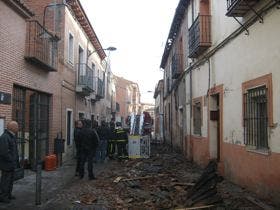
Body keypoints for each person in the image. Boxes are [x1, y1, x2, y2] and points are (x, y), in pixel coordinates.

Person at [0, 121, 19, 203]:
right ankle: (3, 197)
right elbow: (4, 152)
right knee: (5, 181)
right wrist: (11, 160)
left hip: (11, 164)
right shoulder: (5, 137)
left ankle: (8, 194)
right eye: (17, 126)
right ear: (12, 127)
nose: (18, 128)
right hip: (6, 164)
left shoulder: (11, 136)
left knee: (10, 180)